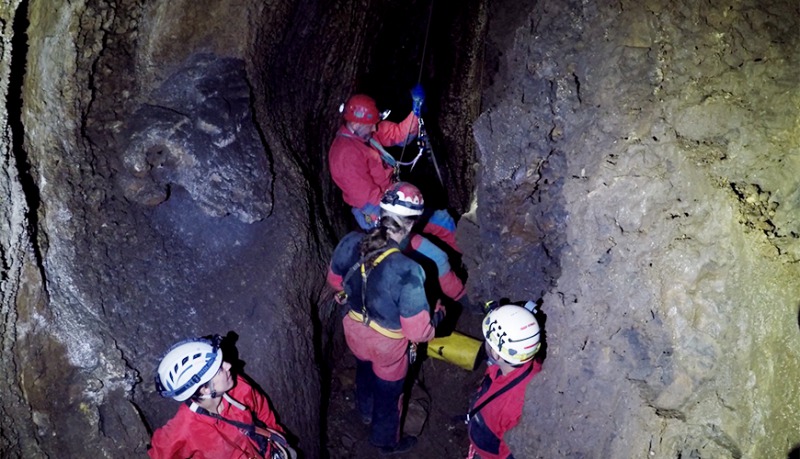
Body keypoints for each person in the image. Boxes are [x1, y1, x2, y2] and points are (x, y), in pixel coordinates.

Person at [326, 182, 445, 455]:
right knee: (390, 397)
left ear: (379, 213)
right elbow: (417, 333)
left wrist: (351, 293)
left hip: (354, 332)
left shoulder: (350, 242)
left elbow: (334, 282)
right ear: (411, 225)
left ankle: (365, 410)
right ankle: (385, 442)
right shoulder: (409, 270)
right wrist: (437, 315)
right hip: (387, 348)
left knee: (364, 368)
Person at [148, 335, 297, 459]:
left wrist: (278, 438)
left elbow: (263, 410)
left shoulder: (239, 387)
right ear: (205, 389)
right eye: (219, 369)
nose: (228, 366)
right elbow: (159, 452)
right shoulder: (184, 428)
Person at [328, 86, 425, 230]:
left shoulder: (365, 133)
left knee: (441, 221)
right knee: (411, 246)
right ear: (355, 124)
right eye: (371, 125)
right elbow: (367, 198)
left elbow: (399, 136)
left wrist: (415, 113)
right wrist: (399, 212)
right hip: (376, 210)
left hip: (392, 195)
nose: (375, 128)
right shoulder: (345, 155)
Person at [467, 304, 543, 459]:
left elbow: (510, 453)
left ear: (496, 353)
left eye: (489, 341)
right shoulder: (512, 367)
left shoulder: (513, 408)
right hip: (483, 428)